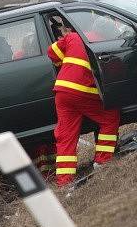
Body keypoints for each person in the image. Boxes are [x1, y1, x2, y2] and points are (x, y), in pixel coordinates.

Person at [46, 16, 120, 186]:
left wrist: (62, 61)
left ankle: (64, 182)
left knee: (66, 136)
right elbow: (114, 75)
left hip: (62, 92)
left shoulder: (74, 37)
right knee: (110, 117)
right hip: (84, 93)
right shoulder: (108, 46)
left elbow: (52, 52)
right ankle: (103, 162)